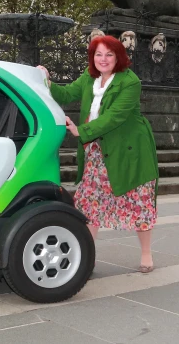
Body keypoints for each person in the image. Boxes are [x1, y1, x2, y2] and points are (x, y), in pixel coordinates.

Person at [37, 36, 159, 273]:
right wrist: (45, 80)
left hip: (128, 150)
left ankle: (146, 253)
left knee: (138, 201)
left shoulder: (130, 81)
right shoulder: (89, 76)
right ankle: (86, 256)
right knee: (89, 203)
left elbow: (114, 117)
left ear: (118, 57)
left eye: (109, 54)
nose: (103, 59)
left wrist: (80, 130)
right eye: (98, 54)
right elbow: (66, 94)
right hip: (95, 149)